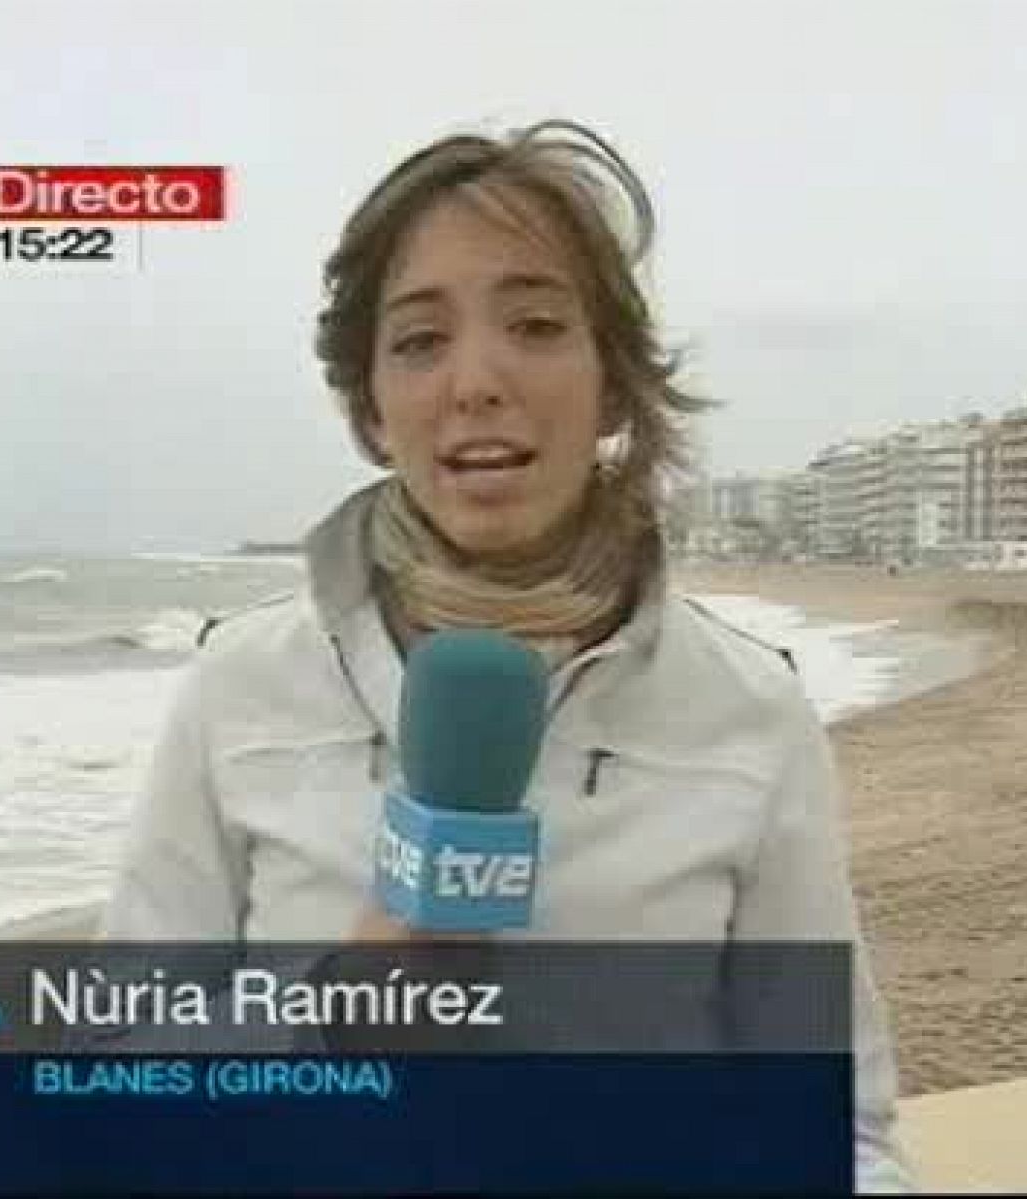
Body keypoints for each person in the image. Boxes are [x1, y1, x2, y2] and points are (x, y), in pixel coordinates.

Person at [102, 118, 916, 1192]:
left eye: (534, 324)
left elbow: (839, 1131)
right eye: (419, 340)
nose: (476, 381)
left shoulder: (750, 710)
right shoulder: (239, 687)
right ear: (369, 408)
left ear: (615, 384)